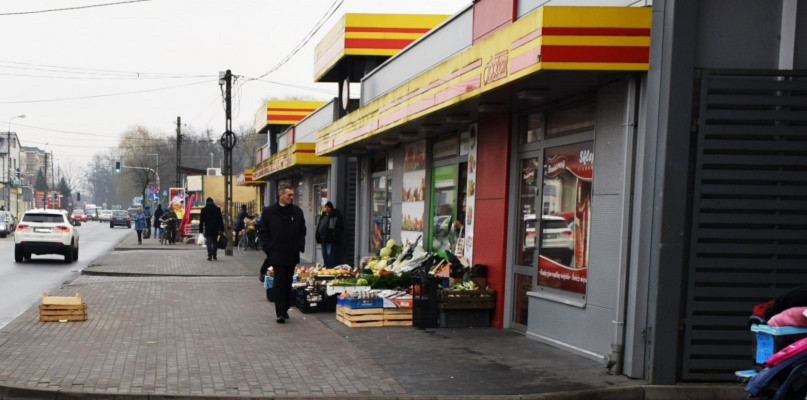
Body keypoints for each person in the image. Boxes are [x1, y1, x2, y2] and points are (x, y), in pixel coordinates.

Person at [258, 183, 306, 324]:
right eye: (289, 195)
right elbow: (263, 231)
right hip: (276, 253)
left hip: (291, 252)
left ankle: (285, 309)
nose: (292, 197)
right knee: (279, 281)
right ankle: (279, 312)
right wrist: (268, 248)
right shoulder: (269, 212)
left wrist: (299, 245)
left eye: (292, 195)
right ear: (281, 195)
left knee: (288, 281)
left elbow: (302, 230)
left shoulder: (297, 212)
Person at [315, 201, 343, 268]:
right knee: (324, 254)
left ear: (331, 208)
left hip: (330, 239)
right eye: (326, 207)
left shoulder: (335, 216)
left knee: (330, 254)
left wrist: (333, 235)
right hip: (323, 238)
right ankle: (326, 266)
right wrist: (318, 235)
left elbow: (339, 228)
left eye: (328, 207)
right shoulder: (324, 215)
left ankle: (330, 267)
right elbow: (319, 225)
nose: (326, 209)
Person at [199, 197, 224, 261]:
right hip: (216, 228)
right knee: (215, 242)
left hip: (208, 228)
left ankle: (210, 256)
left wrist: (200, 230)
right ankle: (214, 255)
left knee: (209, 242)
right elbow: (220, 220)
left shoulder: (204, 210)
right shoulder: (217, 209)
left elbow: (201, 221)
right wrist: (222, 229)